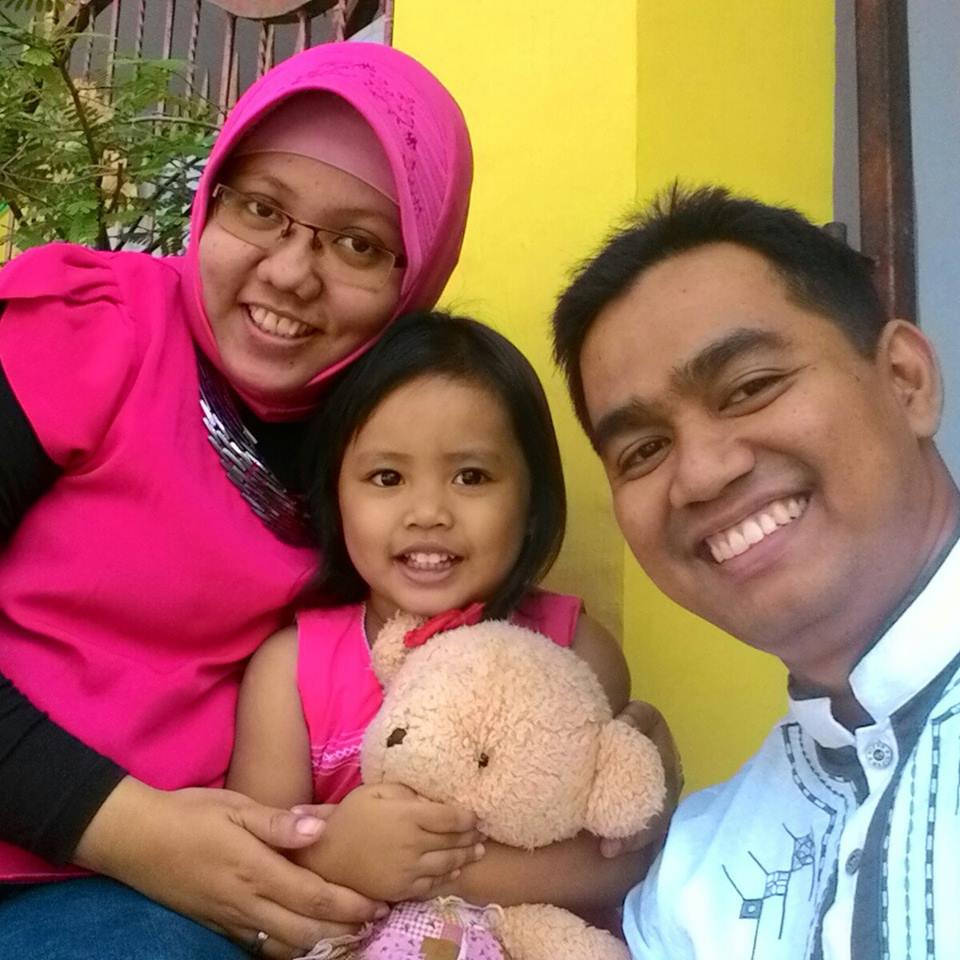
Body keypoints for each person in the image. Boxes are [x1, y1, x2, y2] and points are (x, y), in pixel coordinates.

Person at [0, 42, 473, 960]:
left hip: (175, 897)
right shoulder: (93, 330)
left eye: (358, 244)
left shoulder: (388, 449)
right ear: (210, 199)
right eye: (261, 209)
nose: (291, 273)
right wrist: (133, 831)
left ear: (414, 279)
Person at [551, 184, 960, 959]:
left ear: (905, 379)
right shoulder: (693, 879)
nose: (702, 475)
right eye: (643, 450)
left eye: (749, 388)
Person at [227, 310, 650, 943]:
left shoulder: (576, 649)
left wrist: (424, 874)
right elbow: (255, 882)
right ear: (334, 494)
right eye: (387, 477)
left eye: (471, 476)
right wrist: (337, 855)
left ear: (532, 500)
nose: (428, 512)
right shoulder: (292, 671)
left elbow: (619, 861)